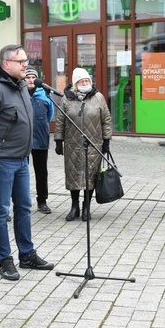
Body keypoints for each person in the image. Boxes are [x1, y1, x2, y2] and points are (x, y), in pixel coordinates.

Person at [0, 44, 54, 281]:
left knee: (24, 208)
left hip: (21, 160)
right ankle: (4, 259)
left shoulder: (20, 87)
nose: (26, 65)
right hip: (1, 160)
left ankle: (27, 254)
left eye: (26, 60)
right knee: (0, 212)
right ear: (7, 64)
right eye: (21, 61)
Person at [54, 67, 112, 222]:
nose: (85, 83)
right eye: (81, 81)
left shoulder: (98, 97)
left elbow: (106, 119)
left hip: (93, 143)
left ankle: (87, 206)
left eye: (87, 80)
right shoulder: (67, 99)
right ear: (75, 84)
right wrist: (58, 141)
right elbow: (60, 121)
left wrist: (106, 141)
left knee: (91, 176)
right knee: (73, 175)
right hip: (72, 144)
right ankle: (75, 206)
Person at [25, 66, 54, 214]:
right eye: (27, 77)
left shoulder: (44, 96)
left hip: (40, 138)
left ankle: (42, 201)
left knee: (41, 172)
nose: (30, 80)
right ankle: (21, 201)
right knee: (21, 172)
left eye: (33, 77)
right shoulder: (20, 94)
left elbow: (50, 116)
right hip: (22, 140)